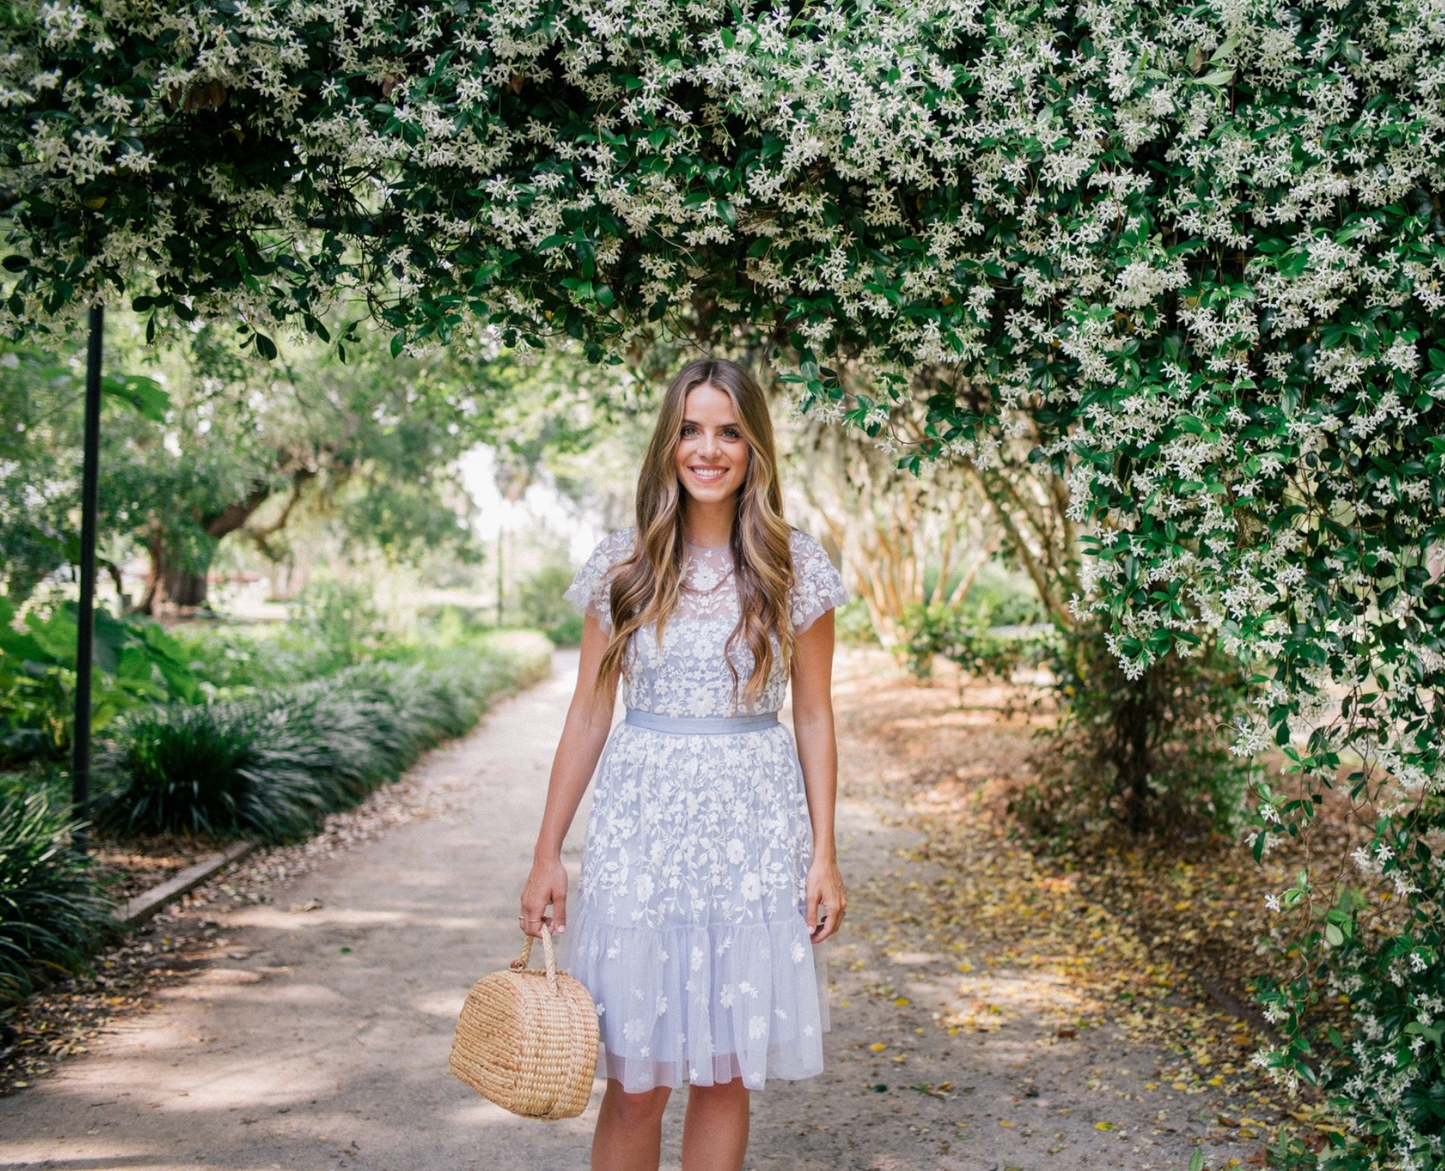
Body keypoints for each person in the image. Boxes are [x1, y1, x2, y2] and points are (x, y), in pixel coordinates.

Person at [519, 357, 849, 1171]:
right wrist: (546, 850)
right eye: (692, 429)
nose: (709, 448)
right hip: (642, 832)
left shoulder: (793, 565)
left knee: (725, 1071)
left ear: (754, 449)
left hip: (750, 834)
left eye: (729, 431)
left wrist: (823, 852)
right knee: (637, 1077)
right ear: (669, 443)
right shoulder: (623, 565)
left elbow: (812, 712)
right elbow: (590, 709)